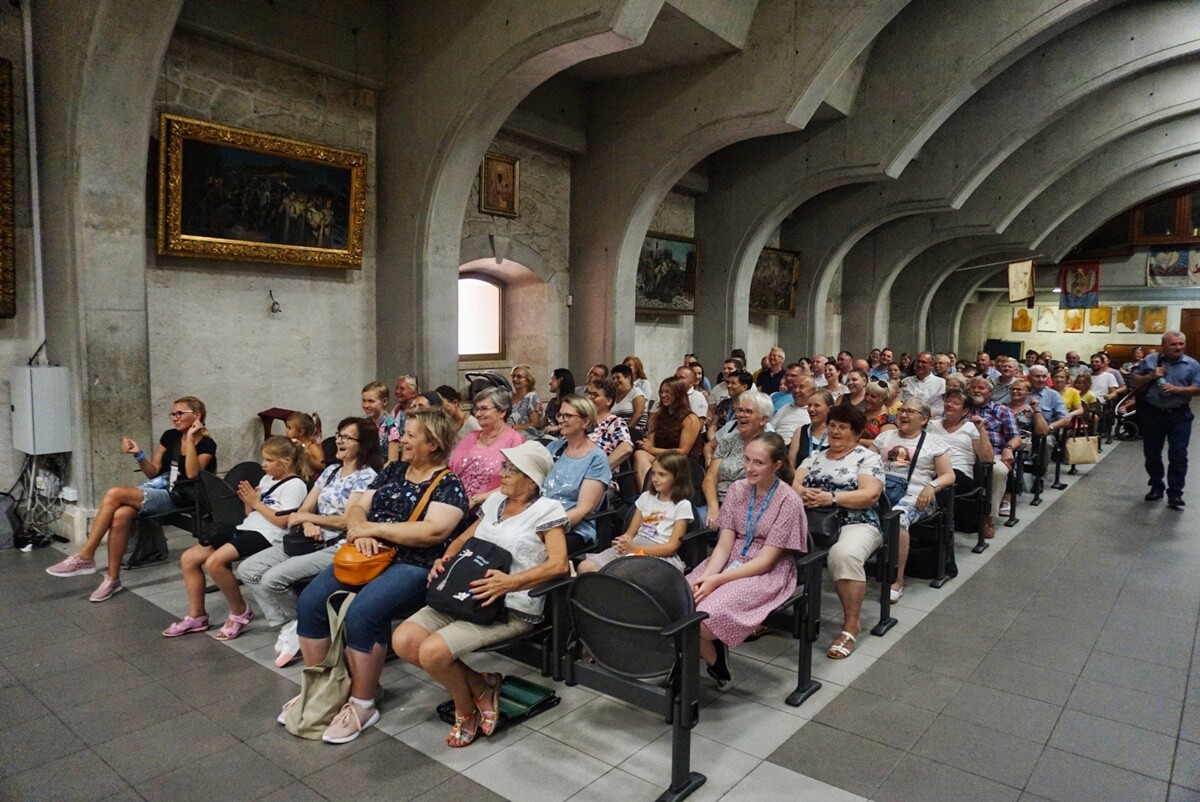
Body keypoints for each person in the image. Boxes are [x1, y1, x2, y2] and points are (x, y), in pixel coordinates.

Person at [286, 409, 469, 744]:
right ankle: (324, 688)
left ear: (432, 443)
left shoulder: (449, 485)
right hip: (366, 553)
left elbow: (432, 531)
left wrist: (374, 529)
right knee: (310, 602)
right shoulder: (393, 470)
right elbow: (357, 506)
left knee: (363, 612)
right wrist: (360, 531)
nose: (402, 440)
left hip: (414, 564)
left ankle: (363, 703)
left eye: (411, 435)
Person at [393, 440, 568, 747]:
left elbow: (559, 565)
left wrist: (509, 583)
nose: (503, 473)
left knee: (432, 652)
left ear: (531, 480)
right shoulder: (496, 501)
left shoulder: (546, 511)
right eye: (504, 466)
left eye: (511, 469)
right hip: (462, 595)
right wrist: (445, 560)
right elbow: (462, 539)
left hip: (507, 607)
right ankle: (480, 684)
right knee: (404, 640)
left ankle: (465, 709)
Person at [237, 417, 382, 667]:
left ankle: (301, 627)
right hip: (309, 539)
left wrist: (310, 518)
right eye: (339, 435)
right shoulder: (331, 471)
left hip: (338, 545)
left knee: (272, 579)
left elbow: (349, 521)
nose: (339, 441)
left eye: (347, 437)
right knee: (247, 570)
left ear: (363, 444)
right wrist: (308, 523)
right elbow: (303, 509)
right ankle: (293, 624)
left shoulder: (367, 477)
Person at [47, 396, 218, 602]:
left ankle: (86, 555)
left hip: (183, 497)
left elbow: (192, 474)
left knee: (114, 493)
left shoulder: (207, 444)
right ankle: (113, 580)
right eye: (173, 414)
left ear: (197, 415)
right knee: (120, 515)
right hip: (162, 489)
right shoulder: (169, 436)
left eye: (180, 413)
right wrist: (138, 455)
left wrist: (189, 439)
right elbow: (153, 472)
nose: (175, 418)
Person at [686, 433, 807, 689]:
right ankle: (711, 659)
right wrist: (708, 576)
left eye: (758, 463)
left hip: (765, 570)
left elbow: (766, 561)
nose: (749, 468)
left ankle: (708, 654)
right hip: (731, 558)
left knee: (704, 618)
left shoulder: (788, 501)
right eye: (747, 459)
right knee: (680, 599)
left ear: (777, 465)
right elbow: (724, 544)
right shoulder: (737, 489)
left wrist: (717, 580)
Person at [163, 436, 309, 640]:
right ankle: (197, 616)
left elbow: (283, 522)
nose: (263, 465)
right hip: (248, 527)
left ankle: (240, 611)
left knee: (214, 562)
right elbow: (251, 514)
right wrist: (248, 502)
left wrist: (256, 503)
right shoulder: (267, 479)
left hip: (268, 536)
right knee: (189, 558)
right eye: (263, 459)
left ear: (287, 461)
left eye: (269, 460)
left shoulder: (295, 485)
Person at [792, 405, 884, 659]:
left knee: (844, 555)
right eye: (832, 425)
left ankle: (851, 625)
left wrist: (831, 498)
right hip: (812, 520)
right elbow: (793, 481)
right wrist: (803, 492)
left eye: (843, 427)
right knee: (774, 547)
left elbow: (870, 494)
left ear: (857, 432)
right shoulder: (815, 457)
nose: (835, 431)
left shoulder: (867, 458)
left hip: (856, 520)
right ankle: (770, 612)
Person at [871, 399, 955, 603]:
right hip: (882, 492)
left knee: (898, 519)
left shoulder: (934, 443)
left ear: (924, 419)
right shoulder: (884, 437)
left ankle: (897, 580)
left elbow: (949, 475)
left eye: (910, 411)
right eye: (901, 410)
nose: (903, 415)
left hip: (916, 496)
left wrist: (932, 486)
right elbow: (866, 462)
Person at [580, 449, 693, 573]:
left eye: (662, 475)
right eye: (653, 473)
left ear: (677, 477)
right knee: (585, 567)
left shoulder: (682, 505)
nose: (655, 479)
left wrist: (635, 548)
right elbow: (630, 533)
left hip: (658, 554)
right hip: (635, 544)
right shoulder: (646, 497)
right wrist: (624, 540)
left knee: (618, 574)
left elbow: (671, 548)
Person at [1129, 331, 1200, 508]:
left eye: (1181, 344)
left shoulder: (1192, 365)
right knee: (1152, 453)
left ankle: (1175, 493)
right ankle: (1156, 485)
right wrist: (1150, 376)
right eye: (1173, 344)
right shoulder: (1150, 360)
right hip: (1153, 413)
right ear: (1163, 346)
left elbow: (1198, 389)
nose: (1178, 347)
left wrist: (1176, 389)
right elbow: (1134, 381)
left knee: (1178, 453)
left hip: (1179, 414)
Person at [542, 395, 612, 552]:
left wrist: (543, 529)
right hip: (539, 516)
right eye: (560, 415)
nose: (561, 420)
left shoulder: (596, 458)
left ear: (585, 422)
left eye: (567, 415)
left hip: (571, 528)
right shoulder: (554, 447)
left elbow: (583, 510)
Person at [702, 390, 773, 527]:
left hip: (749, 507)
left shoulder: (770, 446)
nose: (740, 415)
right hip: (718, 501)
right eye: (739, 410)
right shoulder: (728, 440)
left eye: (748, 411)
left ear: (763, 419)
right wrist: (713, 507)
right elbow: (710, 478)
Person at [927, 389, 994, 534]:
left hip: (959, 472)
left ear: (965, 411)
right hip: (931, 468)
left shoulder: (972, 428)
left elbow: (987, 459)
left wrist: (981, 430)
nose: (949, 405)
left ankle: (938, 532)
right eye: (948, 401)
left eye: (956, 403)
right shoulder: (932, 425)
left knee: (942, 482)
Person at [449, 387, 525, 511]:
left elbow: (516, 483)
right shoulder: (469, 438)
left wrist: (475, 499)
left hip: (489, 509)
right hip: (454, 504)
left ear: (502, 412)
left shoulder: (514, 440)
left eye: (484, 409)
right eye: (476, 409)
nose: (478, 414)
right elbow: (451, 472)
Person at [634, 376, 702, 486]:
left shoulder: (690, 419)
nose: (663, 395)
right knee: (639, 454)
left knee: (644, 457)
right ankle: (647, 492)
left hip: (681, 462)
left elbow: (683, 451)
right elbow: (652, 438)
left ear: (678, 394)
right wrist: (646, 444)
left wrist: (652, 449)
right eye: (661, 392)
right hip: (661, 458)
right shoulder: (659, 416)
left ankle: (651, 491)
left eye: (667, 392)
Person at [585, 378, 635, 469]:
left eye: (594, 395)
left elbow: (625, 448)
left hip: (594, 473)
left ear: (608, 401)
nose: (588, 398)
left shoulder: (613, 422)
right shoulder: (581, 420)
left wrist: (598, 470)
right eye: (588, 393)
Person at [788, 389, 834, 468]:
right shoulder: (800, 431)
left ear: (829, 409)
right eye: (809, 405)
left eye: (817, 405)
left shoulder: (835, 433)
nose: (811, 409)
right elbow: (790, 464)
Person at [361, 381, 401, 463]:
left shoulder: (391, 425)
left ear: (385, 402)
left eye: (371, 401)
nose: (366, 405)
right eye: (364, 401)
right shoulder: (364, 424)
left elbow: (392, 461)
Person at [286, 411, 325, 477]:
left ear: (301, 432)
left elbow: (323, 466)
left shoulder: (312, 446)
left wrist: (309, 459)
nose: (286, 430)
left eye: (289, 428)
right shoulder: (295, 445)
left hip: (310, 479)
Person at [609, 364, 647, 429]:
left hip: (634, 431)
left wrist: (626, 431)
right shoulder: (614, 396)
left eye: (618, 377)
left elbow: (638, 414)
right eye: (613, 378)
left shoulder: (636, 392)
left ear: (628, 379)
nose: (615, 381)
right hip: (616, 431)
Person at [540, 368, 576, 437]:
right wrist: (539, 414)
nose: (550, 383)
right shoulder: (552, 402)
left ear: (560, 380)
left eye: (552, 379)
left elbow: (575, 422)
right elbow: (544, 423)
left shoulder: (572, 402)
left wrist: (558, 427)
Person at [860, 380, 897, 445]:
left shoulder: (888, 420)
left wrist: (856, 441)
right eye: (866, 394)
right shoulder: (859, 413)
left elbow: (883, 443)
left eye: (873, 396)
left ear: (883, 400)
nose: (867, 398)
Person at [507, 364, 541, 431]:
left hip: (523, 435)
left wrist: (512, 427)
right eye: (513, 376)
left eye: (519, 377)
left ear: (528, 380)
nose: (514, 379)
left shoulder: (531, 397)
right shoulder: (508, 396)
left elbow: (534, 424)